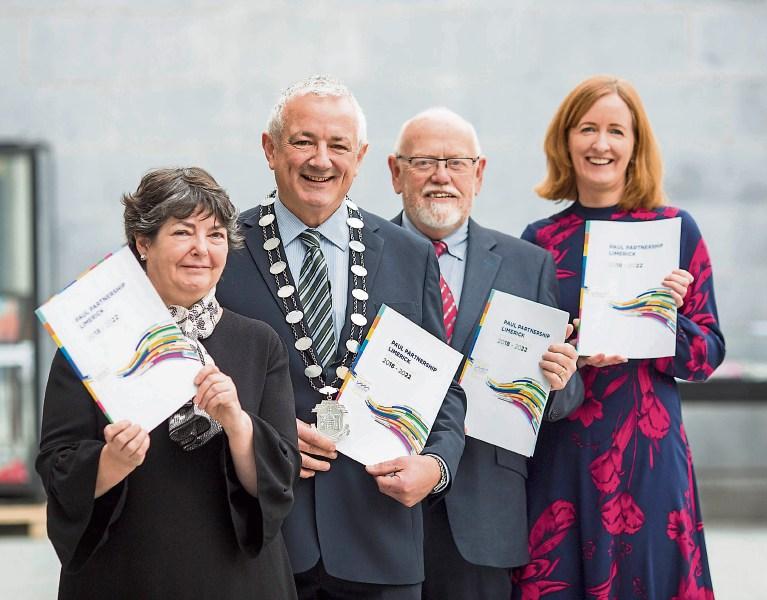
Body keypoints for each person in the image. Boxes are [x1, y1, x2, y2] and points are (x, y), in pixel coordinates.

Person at [216, 77, 466, 599]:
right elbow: (193, 387)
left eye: (338, 145)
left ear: (362, 156)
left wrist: (436, 466)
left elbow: (446, 390)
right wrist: (267, 434)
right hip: (263, 545)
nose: (321, 160)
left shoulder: (407, 254)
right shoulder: (222, 255)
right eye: (303, 141)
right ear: (270, 148)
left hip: (382, 541)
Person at [37, 168, 301, 600]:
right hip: (126, 574)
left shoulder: (259, 343)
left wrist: (237, 424)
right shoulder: (92, 338)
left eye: (215, 235)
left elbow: (281, 480)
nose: (202, 250)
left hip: (237, 578)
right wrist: (112, 461)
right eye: (183, 232)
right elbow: (57, 467)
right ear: (143, 243)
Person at [513, 76, 725, 599]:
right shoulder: (539, 241)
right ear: (566, 140)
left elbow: (707, 355)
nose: (600, 144)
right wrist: (568, 355)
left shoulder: (676, 229)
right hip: (565, 455)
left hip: (648, 461)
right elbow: (518, 361)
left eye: (615, 131)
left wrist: (664, 319)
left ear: (635, 146)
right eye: (587, 128)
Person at [387, 107, 584, 600]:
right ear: (395, 172)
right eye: (424, 162)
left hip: (483, 515)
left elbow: (564, 396)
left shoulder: (529, 264)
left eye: (456, 162)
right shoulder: (364, 254)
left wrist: (561, 380)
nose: (441, 176)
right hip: (378, 504)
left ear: (480, 173)